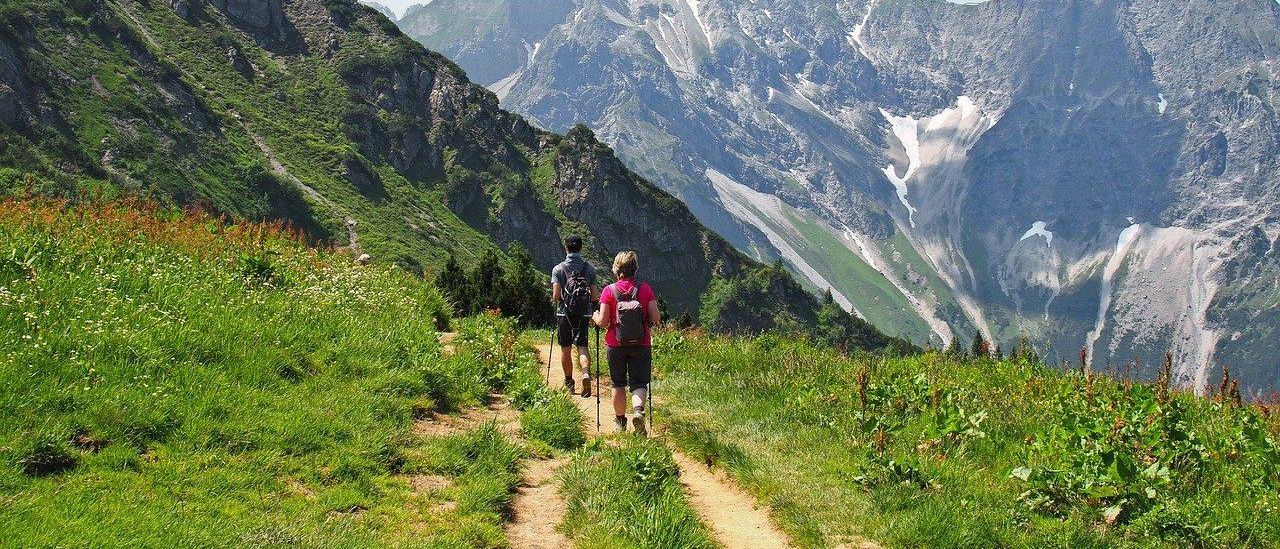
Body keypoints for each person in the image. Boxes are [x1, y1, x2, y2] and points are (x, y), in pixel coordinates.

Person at [593, 251, 660, 435]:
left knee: (618, 383)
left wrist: (595, 316)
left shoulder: (609, 291)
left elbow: (604, 322)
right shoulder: (645, 289)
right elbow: (656, 318)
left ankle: (620, 422)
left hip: (615, 344)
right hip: (641, 343)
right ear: (635, 269)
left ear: (616, 269)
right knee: (639, 383)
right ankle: (638, 412)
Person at [551, 235, 597, 397]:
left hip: (564, 314)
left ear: (566, 248)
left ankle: (569, 382)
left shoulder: (558, 269)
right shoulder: (589, 269)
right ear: (581, 248)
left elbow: (556, 295)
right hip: (584, 314)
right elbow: (594, 296)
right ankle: (585, 373)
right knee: (582, 347)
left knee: (566, 349)